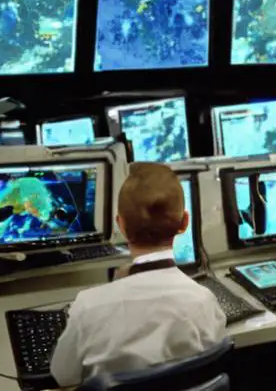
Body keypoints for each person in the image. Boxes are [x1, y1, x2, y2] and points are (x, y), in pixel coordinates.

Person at [50, 164, 226, 386]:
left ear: (121, 225)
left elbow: (63, 376)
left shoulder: (88, 307)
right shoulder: (204, 302)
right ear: (184, 223)